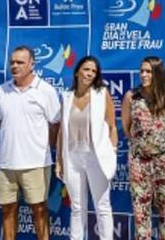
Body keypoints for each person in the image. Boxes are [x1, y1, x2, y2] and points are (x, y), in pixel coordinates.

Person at [121, 56, 165, 240]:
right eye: (142, 71)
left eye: (148, 71)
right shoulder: (131, 97)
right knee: (140, 213)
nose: (143, 75)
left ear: (158, 73)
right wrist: (142, 146)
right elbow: (127, 127)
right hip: (139, 162)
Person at [0, 46, 61, 240]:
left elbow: (56, 125)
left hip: (36, 163)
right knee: (7, 210)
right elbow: (1, 122)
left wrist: (43, 149)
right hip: (6, 163)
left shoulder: (46, 90)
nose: (15, 66)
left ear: (32, 64)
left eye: (20, 62)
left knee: (40, 210)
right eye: (12, 62)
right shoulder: (1, 90)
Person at [56, 55, 118, 240]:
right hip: (73, 158)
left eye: (93, 71)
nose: (89, 73)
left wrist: (112, 152)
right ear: (77, 72)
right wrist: (59, 160)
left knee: (102, 206)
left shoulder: (101, 94)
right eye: (86, 69)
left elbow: (112, 125)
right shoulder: (67, 97)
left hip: (96, 157)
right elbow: (62, 131)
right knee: (76, 207)